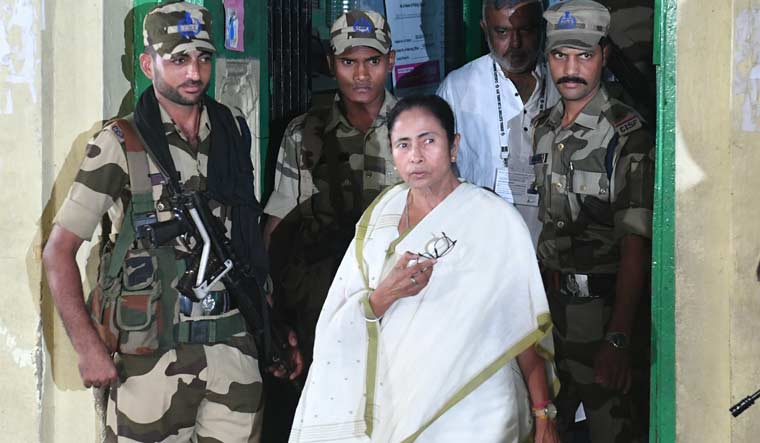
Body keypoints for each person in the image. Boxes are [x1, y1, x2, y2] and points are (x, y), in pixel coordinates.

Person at [42, 2, 299, 441]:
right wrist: (86, 347)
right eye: (178, 59)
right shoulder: (121, 141)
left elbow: (245, 240)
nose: (194, 72)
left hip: (232, 348)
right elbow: (58, 250)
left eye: (202, 57)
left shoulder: (232, 127)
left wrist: (272, 324)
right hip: (150, 359)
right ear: (149, 63)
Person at [290, 95, 559, 443]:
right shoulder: (381, 213)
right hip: (397, 398)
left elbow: (521, 325)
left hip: (477, 405)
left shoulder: (492, 219)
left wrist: (544, 414)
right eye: (403, 144)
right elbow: (343, 310)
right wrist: (383, 297)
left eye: (428, 140)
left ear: (454, 146)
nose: (415, 156)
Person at [532, 1, 655, 441]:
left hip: (602, 315)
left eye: (584, 55)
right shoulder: (543, 129)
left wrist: (618, 336)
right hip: (552, 315)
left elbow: (636, 245)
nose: (571, 68)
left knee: (613, 432)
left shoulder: (627, 135)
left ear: (603, 54)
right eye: (560, 55)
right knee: (544, 428)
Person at [263, 9, 399, 368]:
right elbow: (279, 223)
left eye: (372, 60)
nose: (361, 74)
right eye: (347, 61)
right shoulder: (305, 132)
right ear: (330, 63)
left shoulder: (413, 129)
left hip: (400, 305)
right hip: (322, 305)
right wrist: (271, 309)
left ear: (391, 60)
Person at [437, 0, 560, 244]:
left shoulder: (562, 83)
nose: (514, 44)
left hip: (553, 250)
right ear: (484, 29)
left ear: (541, 28)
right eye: (502, 32)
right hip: (482, 246)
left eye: (525, 30)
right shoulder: (458, 88)